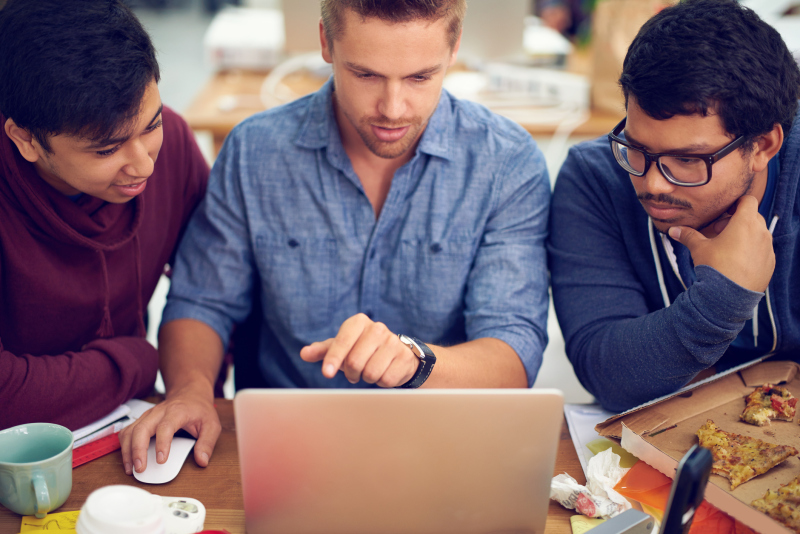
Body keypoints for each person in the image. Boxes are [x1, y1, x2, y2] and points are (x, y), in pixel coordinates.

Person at [120, 0, 551, 475]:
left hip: (445, 442)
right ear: (326, 43)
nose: (392, 108)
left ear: (454, 48)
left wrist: (416, 363)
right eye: (366, 75)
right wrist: (191, 392)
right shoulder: (253, 152)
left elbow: (513, 352)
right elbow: (201, 303)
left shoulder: (507, 163)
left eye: (419, 77)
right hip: (287, 443)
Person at [549, 0, 800, 412]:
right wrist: (722, 299)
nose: (651, 183)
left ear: (763, 146)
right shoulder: (594, 177)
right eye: (636, 147)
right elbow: (607, 371)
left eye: (687, 160)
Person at [0, 0, 209, 430]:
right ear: (25, 139)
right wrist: (136, 361)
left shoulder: (175, 148)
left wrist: (192, 386)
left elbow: (218, 288)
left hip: (133, 423)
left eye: (151, 125)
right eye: (107, 150)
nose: (145, 166)